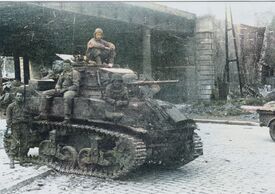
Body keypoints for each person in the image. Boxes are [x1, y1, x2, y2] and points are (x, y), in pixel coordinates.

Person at [5, 91, 29, 168]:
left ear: (22, 97)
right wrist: (9, 126)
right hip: (15, 126)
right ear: (15, 97)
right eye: (18, 96)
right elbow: (8, 118)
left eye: (20, 96)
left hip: (24, 126)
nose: (19, 97)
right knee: (14, 144)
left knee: (24, 144)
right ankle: (11, 161)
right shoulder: (11, 106)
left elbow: (29, 116)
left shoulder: (25, 106)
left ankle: (22, 160)